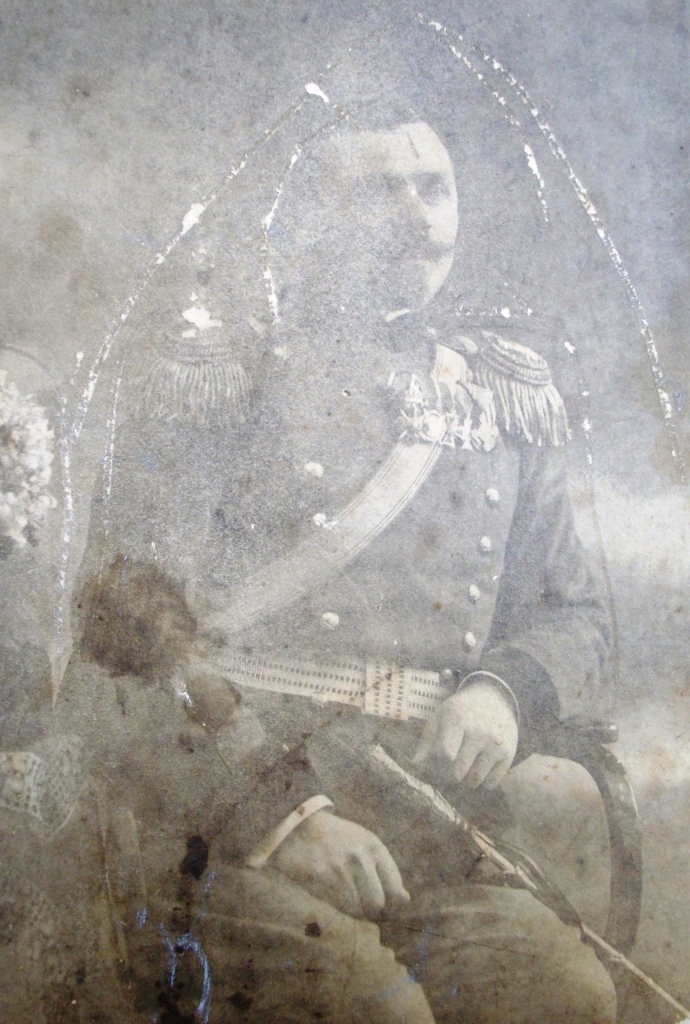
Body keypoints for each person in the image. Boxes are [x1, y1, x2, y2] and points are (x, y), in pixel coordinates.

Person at [77, 119, 617, 1023]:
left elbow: (577, 615)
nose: (416, 216)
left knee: (566, 994)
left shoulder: (501, 392)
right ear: (306, 221)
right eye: (377, 192)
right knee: (378, 1012)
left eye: (434, 188)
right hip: (231, 815)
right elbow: (125, 620)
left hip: (426, 824)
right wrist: (284, 819)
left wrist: (505, 692)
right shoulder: (221, 372)